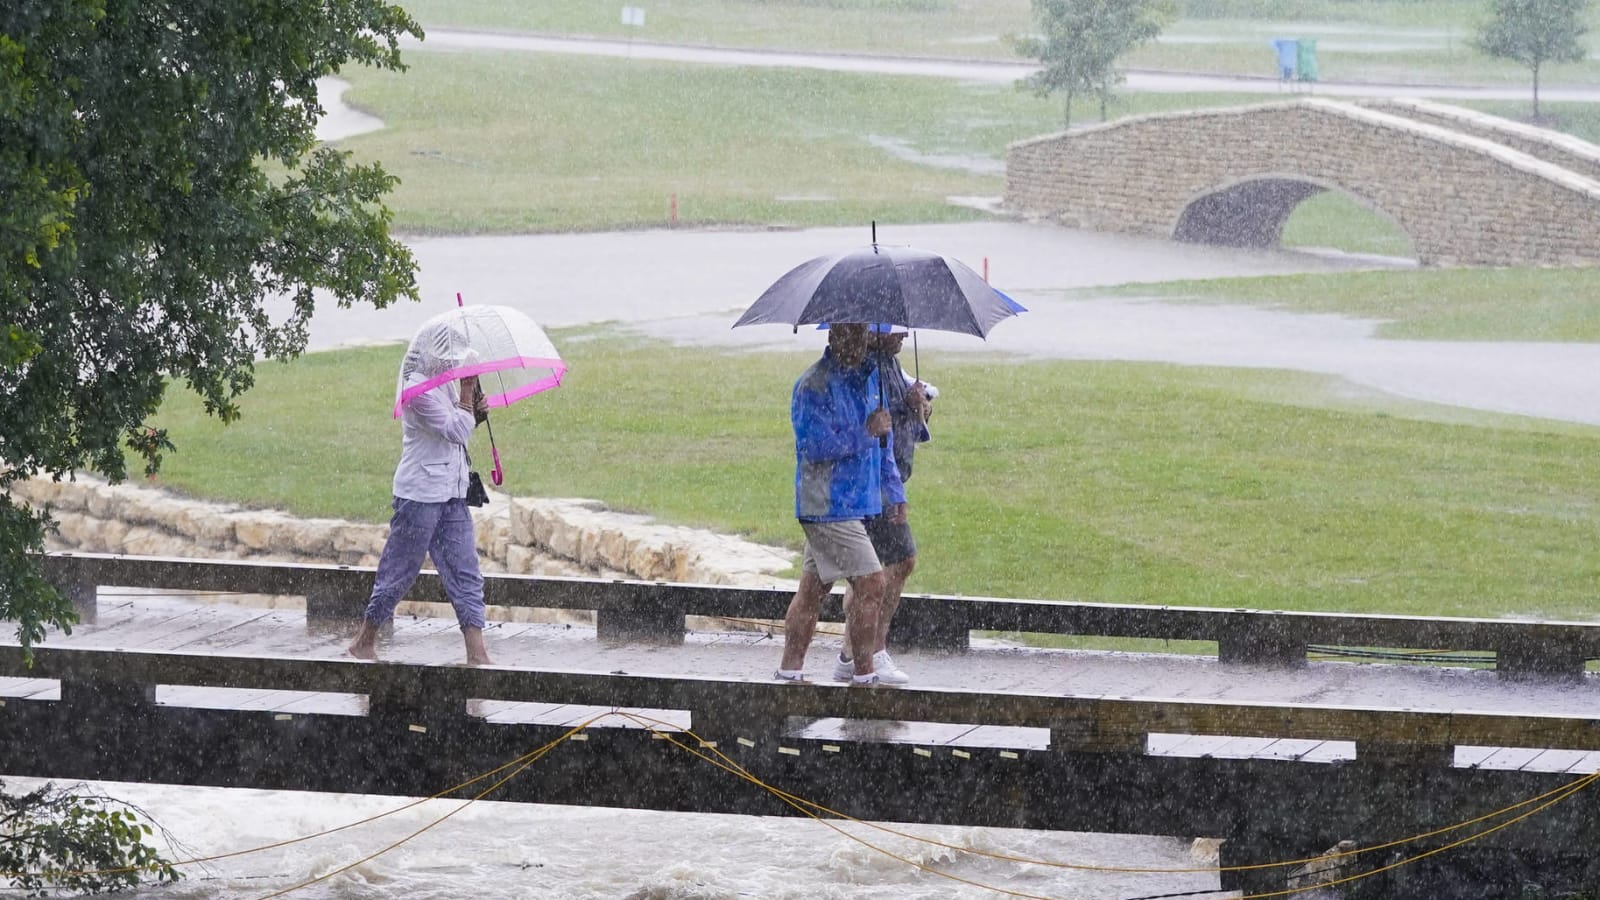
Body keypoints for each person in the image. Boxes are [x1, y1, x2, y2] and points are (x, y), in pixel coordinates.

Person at [349, 318, 494, 666]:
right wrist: (465, 396)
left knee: (465, 572)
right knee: (399, 571)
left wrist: (477, 409)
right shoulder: (416, 391)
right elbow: (455, 432)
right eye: (449, 356)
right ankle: (364, 641)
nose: (453, 363)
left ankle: (478, 653)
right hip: (419, 496)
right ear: (432, 354)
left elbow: (464, 424)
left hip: (452, 495)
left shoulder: (446, 384)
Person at [774, 322, 906, 686]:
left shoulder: (869, 380)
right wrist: (866, 431)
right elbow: (814, 446)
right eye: (847, 334)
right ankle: (864, 677)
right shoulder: (813, 385)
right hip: (826, 505)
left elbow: (885, 446)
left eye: (861, 334)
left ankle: (789, 672)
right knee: (872, 584)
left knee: (812, 590)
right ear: (832, 336)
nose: (856, 343)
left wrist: (893, 493)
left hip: (856, 503)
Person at [834, 324, 933, 685]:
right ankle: (870, 652)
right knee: (884, 569)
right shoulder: (867, 366)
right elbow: (873, 420)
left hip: (886, 483)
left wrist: (918, 406)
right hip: (871, 486)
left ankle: (852, 654)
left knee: (881, 571)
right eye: (896, 330)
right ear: (872, 332)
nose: (904, 336)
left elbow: (892, 420)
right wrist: (902, 406)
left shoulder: (889, 361)